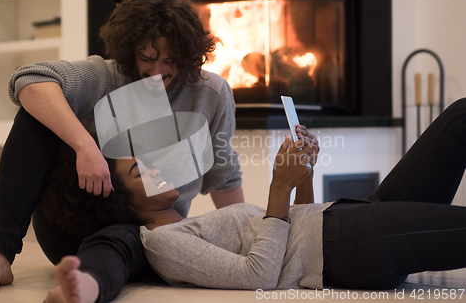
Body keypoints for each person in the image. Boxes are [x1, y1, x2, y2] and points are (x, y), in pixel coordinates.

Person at [0, 0, 244, 301]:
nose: (156, 71)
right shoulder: (106, 75)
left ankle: (85, 286)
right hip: (73, 227)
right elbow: (29, 80)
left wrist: (244, 235)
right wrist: (85, 146)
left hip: (145, 231)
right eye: (147, 58)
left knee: (123, 240)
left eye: (169, 61)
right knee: (34, 114)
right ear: (130, 51)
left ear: (189, 55)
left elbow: (223, 174)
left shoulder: (212, 93)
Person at [44, 98, 465, 303]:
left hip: (348, 216)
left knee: (459, 116)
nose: (155, 165)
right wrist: (277, 188)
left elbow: (296, 229)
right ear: (123, 205)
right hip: (349, 249)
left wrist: (302, 176)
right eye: (139, 171)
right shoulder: (162, 243)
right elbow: (258, 274)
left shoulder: (199, 221)